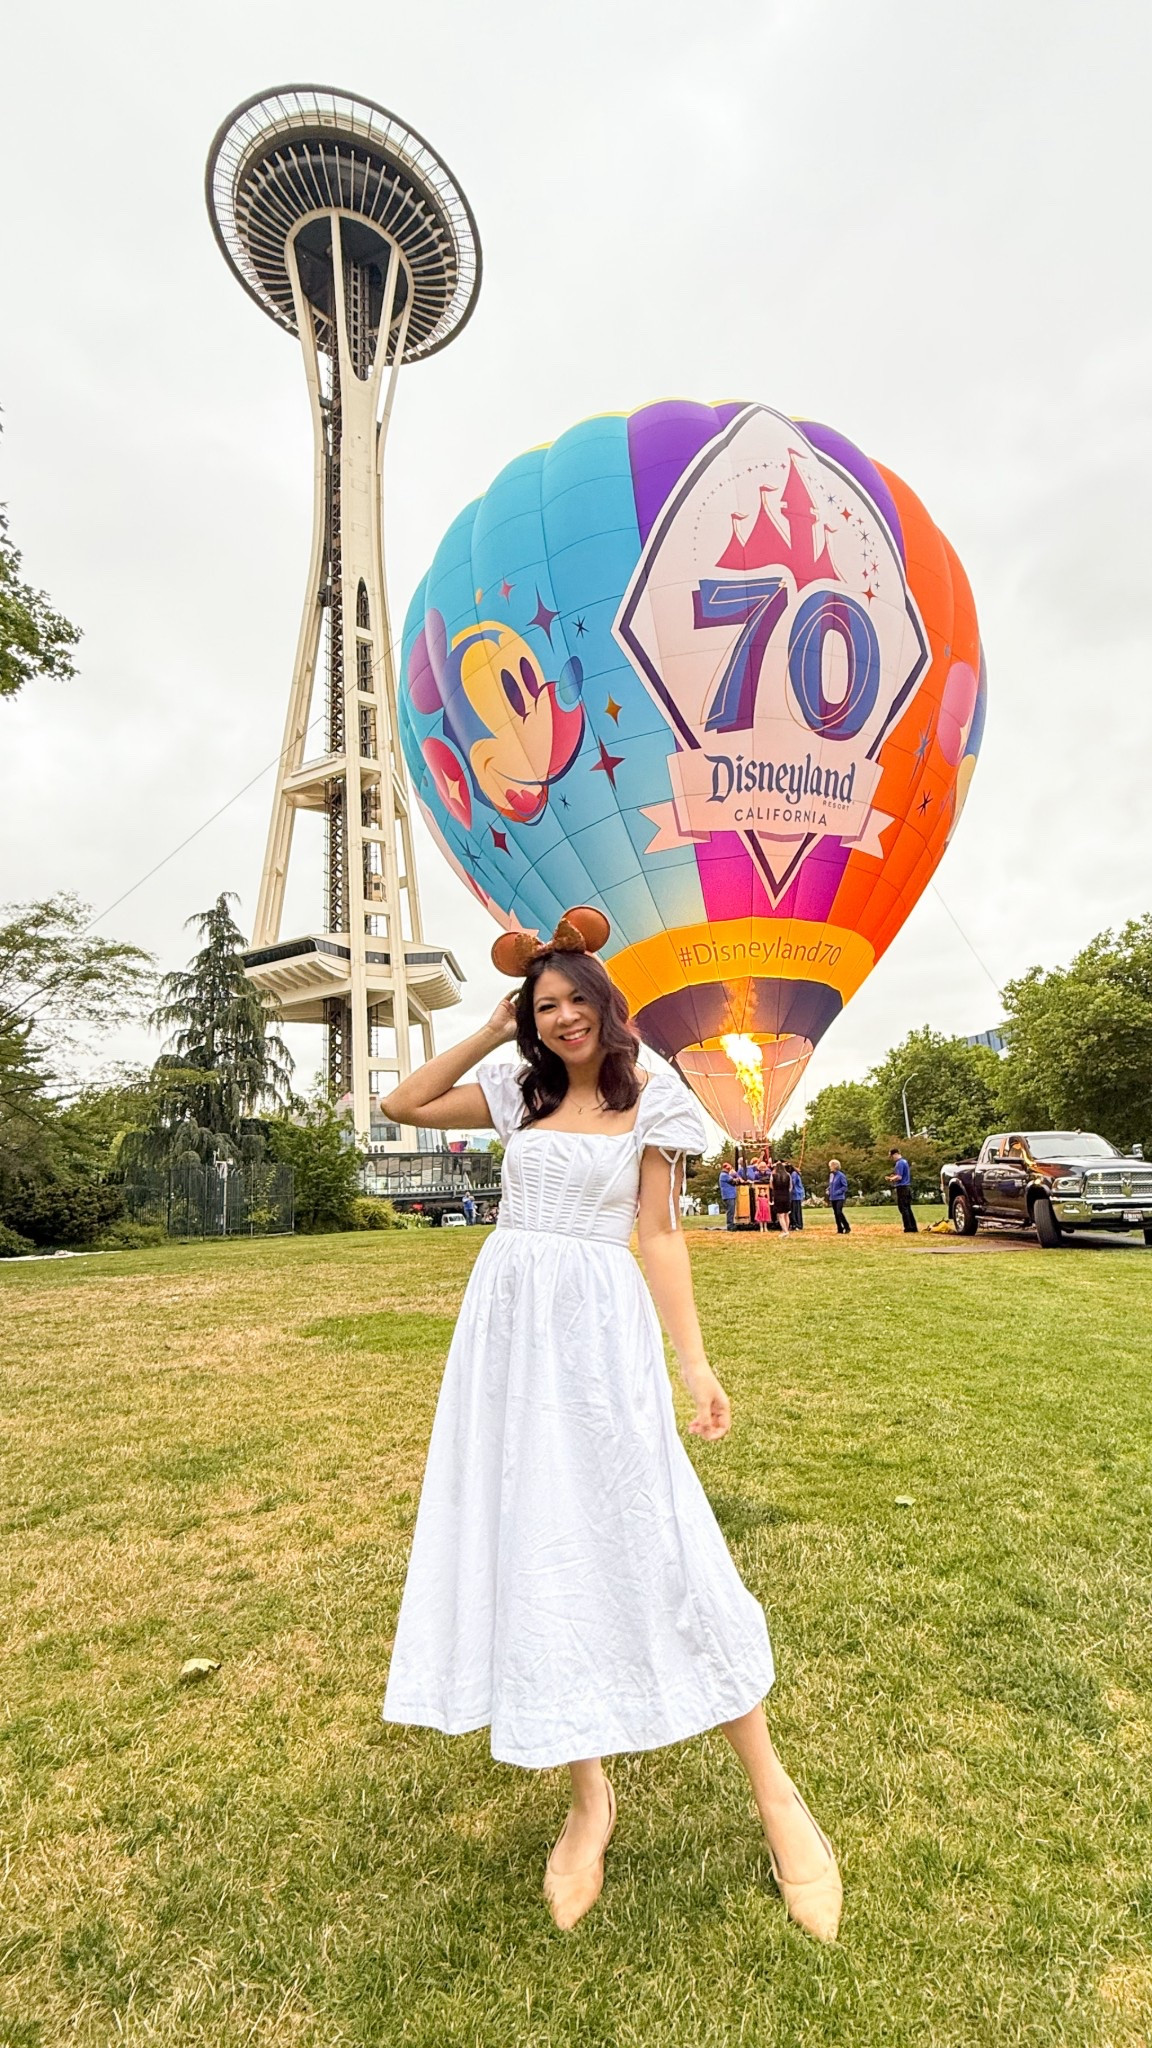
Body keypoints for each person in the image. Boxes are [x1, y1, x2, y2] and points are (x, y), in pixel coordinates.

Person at [379, 907, 841, 1941]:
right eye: (545, 1005)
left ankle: (774, 1790)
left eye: (575, 999)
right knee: (538, 1541)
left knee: (658, 1536)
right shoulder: (515, 1086)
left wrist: (696, 1360)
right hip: (505, 1336)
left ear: (606, 1004)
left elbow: (661, 1234)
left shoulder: (656, 1097)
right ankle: (590, 1797)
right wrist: (495, 1027)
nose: (563, 1016)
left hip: (598, 1330)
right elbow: (401, 1099)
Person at [888, 1147, 918, 1233]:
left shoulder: (899, 1163)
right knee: (908, 1208)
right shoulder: (905, 1162)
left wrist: (891, 1179)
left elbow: (899, 1177)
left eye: (892, 1156)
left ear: (895, 1154)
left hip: (902, 1187)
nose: (892, 1158)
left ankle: (908, 1227)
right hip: (907, 1187)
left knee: (903, 1208)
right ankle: (913, 1226)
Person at [770, 1156, 793, 1236]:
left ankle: (785, 1231)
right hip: (786, 1195)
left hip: (778, 1195)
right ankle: (787, 1230)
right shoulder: (788, 1175)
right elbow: (790, 1187)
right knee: (786, 1214)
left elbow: (771, 1186)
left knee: (780, 1215)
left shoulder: (773, 1175)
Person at [827, 1160, 850, 1234]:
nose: (830, 1167)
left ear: (835, 1166)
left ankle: (847, 1227)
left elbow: (844, 1186)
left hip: (839, 1197)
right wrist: (829, 1189)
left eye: (831, 1166)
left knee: (839, 1212)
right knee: (836, 1213)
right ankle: (839, 1228)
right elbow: (831, 1185)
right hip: (832, 1197)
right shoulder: (831, 1175)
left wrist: (837, 1192)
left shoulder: (841, 1175)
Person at [718, 1158, 741, 1232]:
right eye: (728, 1169)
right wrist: (737, 1177)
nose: (728, 1170)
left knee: (731, 1210)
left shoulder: (725, 1175)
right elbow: (734, 1182)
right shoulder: (724, 1175)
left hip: (730, 1195)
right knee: (730, 1211)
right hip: (728, 1195)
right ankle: (730, 1225)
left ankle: (731, 1224)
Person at [789, 1162, 806, 1232]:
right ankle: (798, 1224)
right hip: (797, 1194)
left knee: (795, 1210)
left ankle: (797, 1224)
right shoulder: (795, 1173)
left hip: (795, 1194)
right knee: (797, 1210)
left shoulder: (794, 1174)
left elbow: (792, 1183)